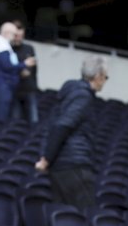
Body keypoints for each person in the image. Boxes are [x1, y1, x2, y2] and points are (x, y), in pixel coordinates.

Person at [35, 56, 109, 209]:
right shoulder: (83, 96)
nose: (105, 81)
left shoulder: (71, 94)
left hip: (62, 163)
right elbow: (63, 125)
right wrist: (46, 159)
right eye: (105, 77)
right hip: (74, 163)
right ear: (98, 76)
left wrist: (47, 157)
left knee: (65, 216)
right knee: (82, 217)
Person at [0, 21, 35, 120]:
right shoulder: (0, 44)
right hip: (2, 86)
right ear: (7, 33)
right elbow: (7, 66)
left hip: (5, 87)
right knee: (0, 118)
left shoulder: (1, 44)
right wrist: (25, 64)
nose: (15, 37)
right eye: (14, 34)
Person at [10, 20, 39, 125]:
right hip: (15, 90)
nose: (18, 38)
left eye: (21, 35)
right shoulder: (8, 49)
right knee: (15, 121)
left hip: (29, 89)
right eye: (16, 36)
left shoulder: (29, 48)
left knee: (34, 121)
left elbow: (32, 70)